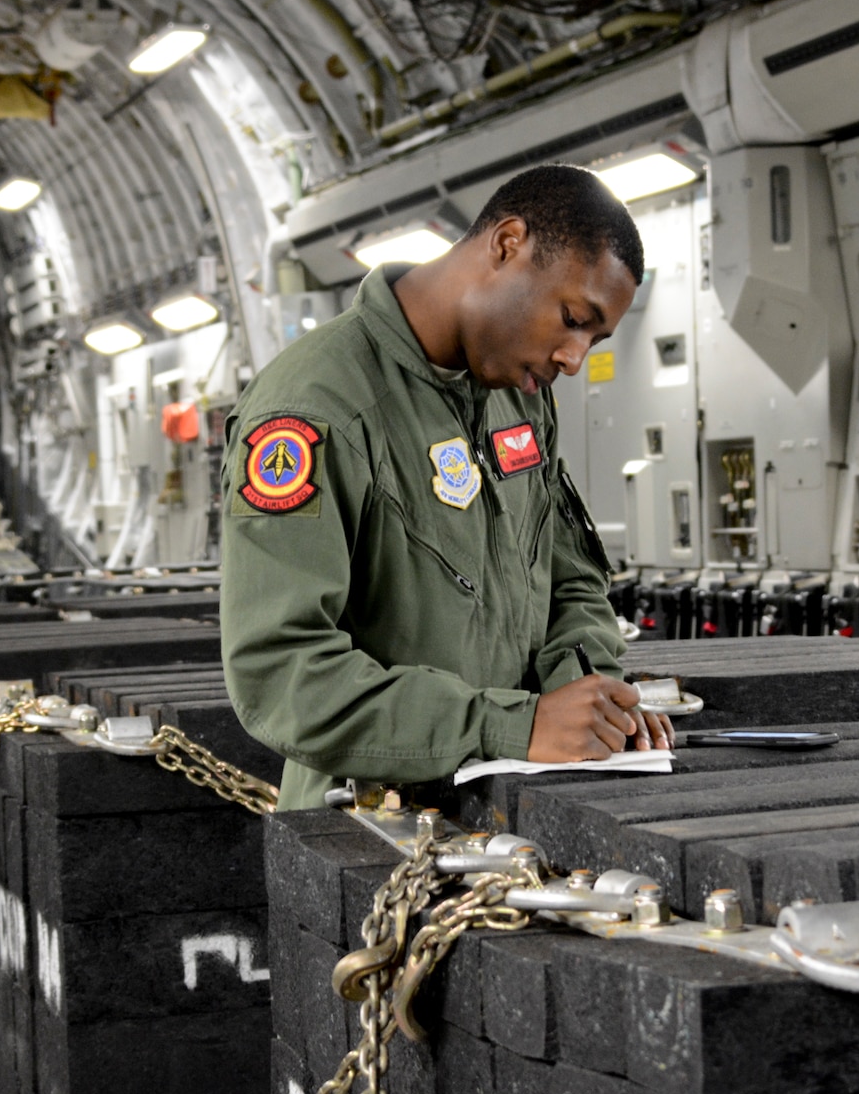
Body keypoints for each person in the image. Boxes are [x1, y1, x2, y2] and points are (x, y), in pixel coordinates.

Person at [220, 163, 675, 810]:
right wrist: (509, 725)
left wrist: (591, 701)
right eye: (574, 318)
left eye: (594, 338)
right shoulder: (317, 407)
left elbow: (572, 578)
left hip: (510, 803)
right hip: (363, 828)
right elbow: (282, 675)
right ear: (507, 244)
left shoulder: (518, 398)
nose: (575, 360)